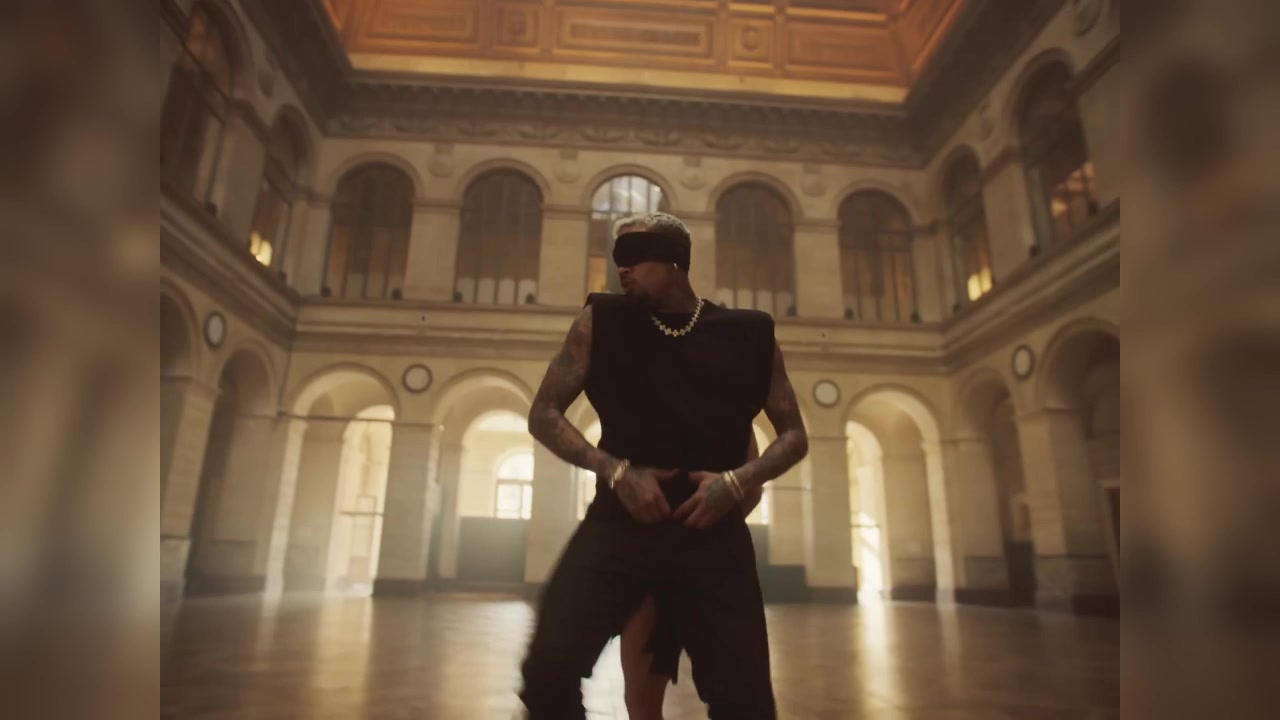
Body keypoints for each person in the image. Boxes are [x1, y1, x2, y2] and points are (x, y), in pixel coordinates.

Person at [519, 211, 809, 719]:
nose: (622, 269)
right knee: (548, 669)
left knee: (746, 702)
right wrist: (614, 471)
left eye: (633, 256)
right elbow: (543, 413)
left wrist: (737, 481)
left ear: (675, 261)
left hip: (712, 533)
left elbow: (794, 435)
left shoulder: (747, 334)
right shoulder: (601, 322)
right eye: (618, 258)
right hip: (620, 526)